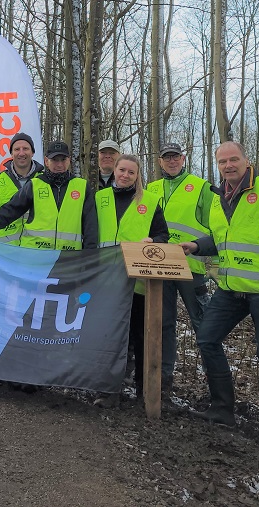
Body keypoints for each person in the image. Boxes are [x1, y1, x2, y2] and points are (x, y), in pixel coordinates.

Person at [180, 141, 259, 447]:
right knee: (207, 338)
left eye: (233, 159)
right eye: (222, 161)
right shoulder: (217, 196)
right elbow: (225, 239)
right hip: (231, 289)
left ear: (246, 160)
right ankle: (223, 409)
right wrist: (197, 246)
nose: (228, 165)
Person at [93, 154, 169, 408]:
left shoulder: (149, 201)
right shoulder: (99, 198)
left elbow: (162, 234)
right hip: (107, 281)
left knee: (140, 336)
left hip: (137, 283)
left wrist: (153, 242)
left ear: (138, 176)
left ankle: (143, 392)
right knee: (112, 338)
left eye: (131, 172)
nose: (125, 175)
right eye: (121, 170)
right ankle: (109, 390)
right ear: (114, 170)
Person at [145, 142, 212, 392]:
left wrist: (213, 261)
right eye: (166, 158)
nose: (171, 161)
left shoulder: (201, 187)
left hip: (191, 266)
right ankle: (163, 377)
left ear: (183, 159)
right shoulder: (150, 189)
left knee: (202, 323)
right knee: (163, 323)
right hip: (158, 266)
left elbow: (214, 227)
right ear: (160, 162)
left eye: (175, 157)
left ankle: (213, 378)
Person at [0, 140, 98, 250]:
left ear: (69, 160)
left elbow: (90, 229)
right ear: (46, 161)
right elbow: (7, 212)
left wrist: (87, 263)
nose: (59, 165)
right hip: (35, 260)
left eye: (63, 160)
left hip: (68, 260)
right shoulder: (34, 185)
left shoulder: (82, 186)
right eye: (54, 160)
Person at [0, 132, 44, 245]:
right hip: (4, 254)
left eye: (26, 148)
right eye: (17, 149)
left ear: (33, 152)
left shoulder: (44, 181)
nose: (21, 153)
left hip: (36, 253)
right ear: (11, 153)